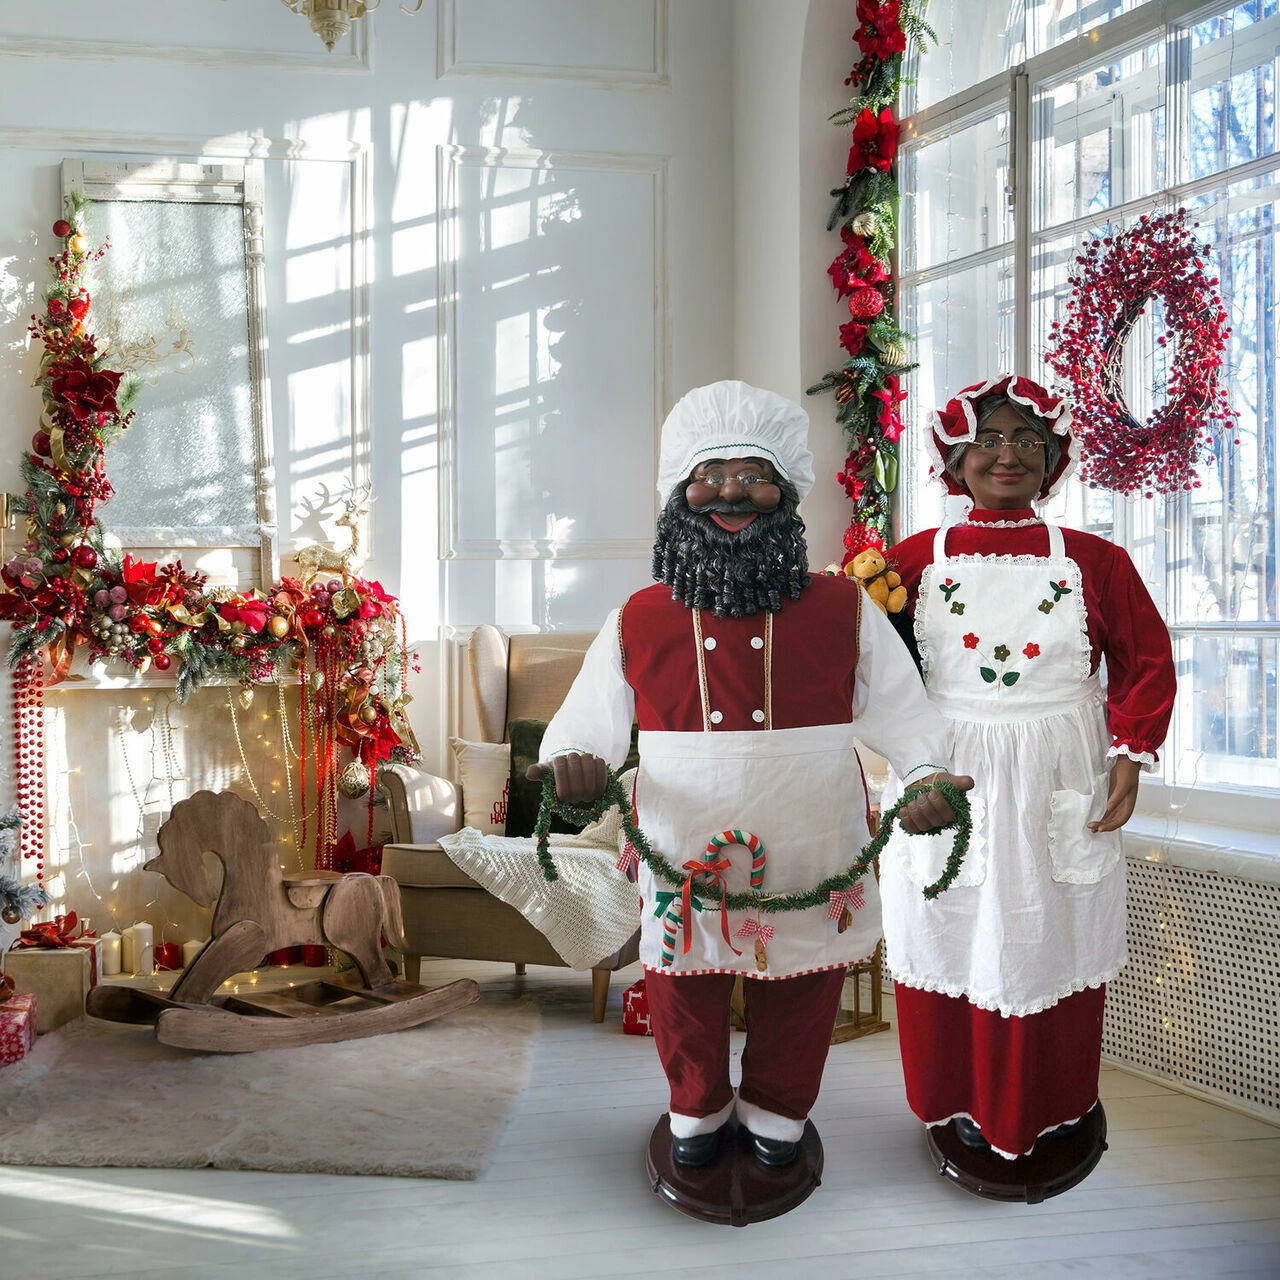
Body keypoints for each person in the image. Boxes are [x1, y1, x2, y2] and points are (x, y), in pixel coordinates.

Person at [531, 380, 971, 1169]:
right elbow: (583, 727)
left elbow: (906, 716)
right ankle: (694, 1107)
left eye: (752, 475)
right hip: (681, 839)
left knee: (805, 980)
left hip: (815, 834)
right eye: (711, 475)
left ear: (787, 495)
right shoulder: (638, 616)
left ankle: (778, 1108)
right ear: (678, 495)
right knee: (681, 979)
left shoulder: (845, 608)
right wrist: (574, 762)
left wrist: (929, 775)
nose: (731, 492)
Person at [879, 373, 1176, 1164]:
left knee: (1050, 941)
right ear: (954, 457)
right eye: (988, 440)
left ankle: (1052, 1105)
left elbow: (1144, 659)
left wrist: (1130, 754)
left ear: (1053, 460)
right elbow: (874, 671)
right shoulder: (908, 561)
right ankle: (955, 1102)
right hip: (949, 773)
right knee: (949, 933)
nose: (1007, 454)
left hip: (1057, 773)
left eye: (1027, 441)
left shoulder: (1095, 562)